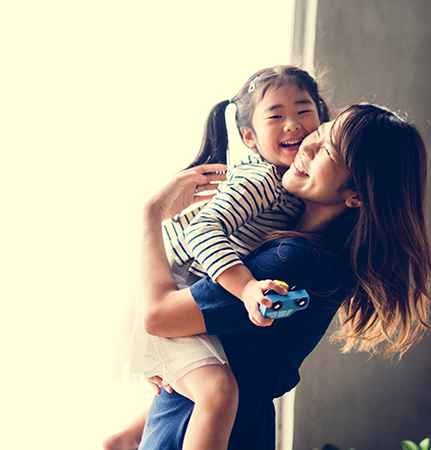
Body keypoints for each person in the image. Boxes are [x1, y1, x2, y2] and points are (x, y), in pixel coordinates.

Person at [135, 104, 431, 450]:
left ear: (357, 195)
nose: (306, 146)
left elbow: (159, 316)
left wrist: (151, 214)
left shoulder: (294, 260)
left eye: (327, 150)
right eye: (318, 134)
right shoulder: (315, 254)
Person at [105, 65, 329, 450]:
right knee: (218, 393)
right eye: (275, 115)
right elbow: (202, 231)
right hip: (174, 284)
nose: (292, 124)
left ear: (323, 123)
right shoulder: (263, 181)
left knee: (202, 379)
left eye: (304, 111)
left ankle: (125, 441)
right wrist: (246, 289)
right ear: (249, 136)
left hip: (190, 288)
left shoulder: (295, 191)